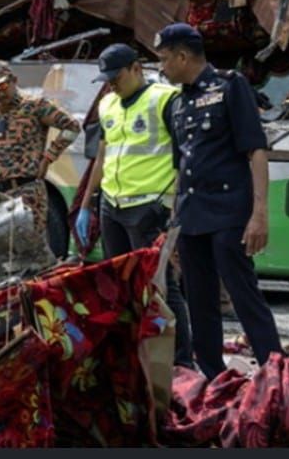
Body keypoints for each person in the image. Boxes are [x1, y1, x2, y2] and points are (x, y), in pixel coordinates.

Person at [154, 23, 283, 379]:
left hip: (229, 212)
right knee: (199, 300)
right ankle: (211, 374)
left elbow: (255, 151)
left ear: (182, 56)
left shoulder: (230, 86)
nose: (161, 67)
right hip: (193, 216)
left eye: (164, 59)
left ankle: (275, 371)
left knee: (243, 295)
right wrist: (174, 226)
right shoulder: (177, 104)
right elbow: (183, 167)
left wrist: (260, 215)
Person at [75, 43, 194, 368]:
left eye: (116, 76)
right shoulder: (108, 104)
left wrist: (177, 209)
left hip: (151, 207)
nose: (111, 83)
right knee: (121, 287)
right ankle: (133, 356)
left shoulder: (165, 99)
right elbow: (102, 154)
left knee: (161, 288)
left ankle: (182, 362)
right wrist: (86, 205)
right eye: (106, 78)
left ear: (136, 68)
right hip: (112, 206)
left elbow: (185, 156)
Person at [0, 61, 81, 240]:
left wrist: (49, 157)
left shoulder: (35, 105)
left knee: (28, 248)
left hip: (25, 191)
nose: (0, 93)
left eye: (3, 86)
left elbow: (72, 127)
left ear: (14, 80)